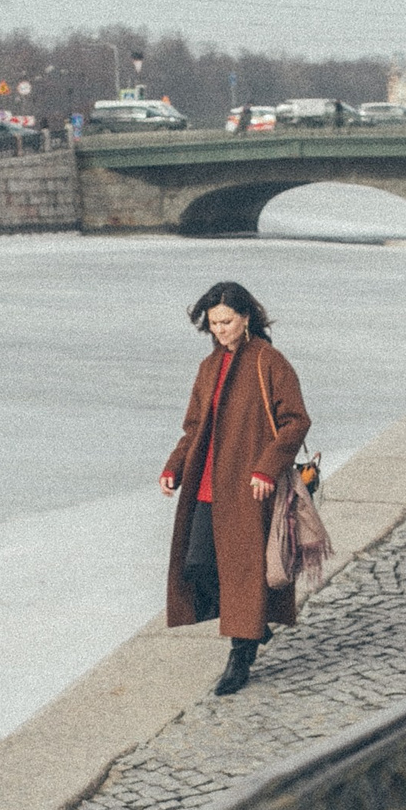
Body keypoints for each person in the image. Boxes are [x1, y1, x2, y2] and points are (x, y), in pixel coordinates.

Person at [159, 281, 312, 696]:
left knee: (243, 575)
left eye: (226, 322)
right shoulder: (209, 368)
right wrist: (174, 466)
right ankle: (254, 623)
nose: (220, 331)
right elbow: (194, 427)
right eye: (213, 324)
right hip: (206, 486)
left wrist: (266, 468)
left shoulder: (269, 362)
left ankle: (240, 657)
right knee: (198, 567)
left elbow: (296, 420)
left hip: (249, 489)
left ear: (246, 318)